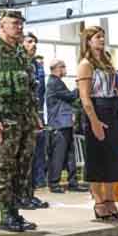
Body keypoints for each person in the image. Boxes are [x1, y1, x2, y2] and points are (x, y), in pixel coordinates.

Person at [0, 10, 41, 232]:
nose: (19, 27)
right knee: (4, 168)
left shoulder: (22, 54)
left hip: (24, 121)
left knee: (21, 169)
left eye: (21, 24)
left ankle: (15, 213)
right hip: (5, 122)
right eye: (14, 23)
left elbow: (31, 88)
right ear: (2, 26)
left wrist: (35, 116)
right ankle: (5, 216)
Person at [77, 26, 118, 220]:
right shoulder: (85, 64)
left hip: (112, 110)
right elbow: (84, 96)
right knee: (97, 159)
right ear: (88, 41)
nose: (101, 40)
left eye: (103, 37)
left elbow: (117, 88)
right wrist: (94, 122)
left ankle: (110, 199)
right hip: (97, 110)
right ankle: (99, 202)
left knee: (114, 159)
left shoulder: (107, 61)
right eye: (97, 37)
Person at [45, 59, 87, 193]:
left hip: (65, 123)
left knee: (70, 155)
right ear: (57, 68)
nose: (65, 69)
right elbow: (70, 96)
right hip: (59, 124)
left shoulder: (57, 82)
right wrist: (81, 85)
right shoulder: (54, 82)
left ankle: (73, 183)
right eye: (64, 67)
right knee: (59, 155)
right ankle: (54, 183)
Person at [22, 33, 49, 208]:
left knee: (33, 156)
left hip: (34, 114)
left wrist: (39, 116)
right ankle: (21, 196)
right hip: (19, 116)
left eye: (35, 42)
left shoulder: (36, 65)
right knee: (22, 159)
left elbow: (40, 94)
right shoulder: (17, 62)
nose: (33, 45)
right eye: (29, 41)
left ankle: (29, 193)